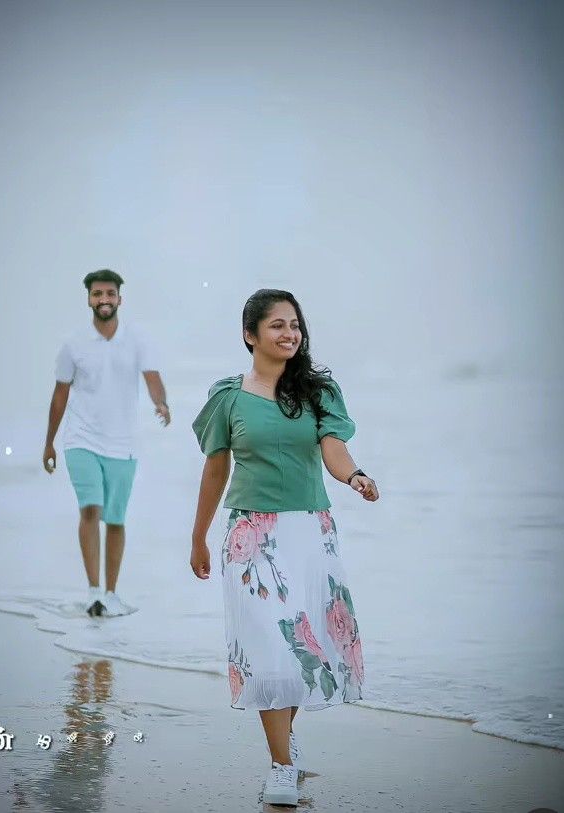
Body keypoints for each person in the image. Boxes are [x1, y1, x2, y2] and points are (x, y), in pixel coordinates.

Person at [190, 288, 378, 807]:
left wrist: (354, 476)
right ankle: (281, 765)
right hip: (250, 536)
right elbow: (215, 468)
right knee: (268, 651)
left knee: (301, 649)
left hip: (309, 534)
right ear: (250, 334)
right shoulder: (228, 397)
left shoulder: (318, 390)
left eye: (294, 325)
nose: (289, 334)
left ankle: (282, 743)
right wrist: (198, 536)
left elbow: (334, 449)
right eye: (277, 325)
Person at [43, 269, 170, 618]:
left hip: (123, 444)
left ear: (119, 298)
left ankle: (112, 594)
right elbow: (59, 395)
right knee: (90, 509)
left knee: (116, 519)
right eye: (97, 294)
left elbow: (152, 379)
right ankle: (93, 591)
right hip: (81, 439)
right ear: (88, 298)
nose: (104, 300)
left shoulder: (137, 340)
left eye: (110, 294)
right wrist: (49, 443)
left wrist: (161, 403)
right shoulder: (73, 343)